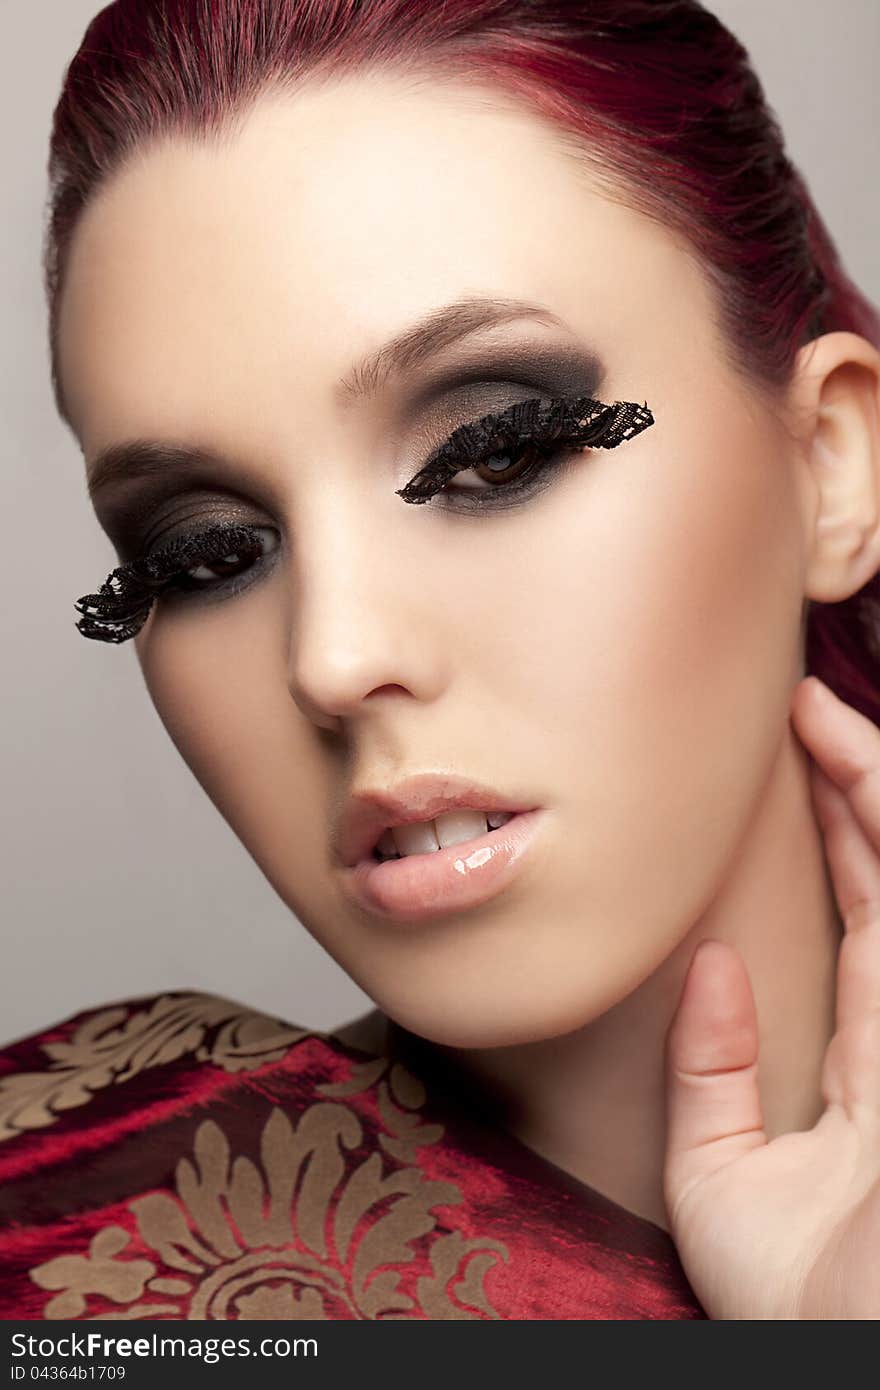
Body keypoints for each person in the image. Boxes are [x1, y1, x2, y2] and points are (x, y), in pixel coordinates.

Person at [1, 0, 879, 1320]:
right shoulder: (70, 1254)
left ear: (831, 465)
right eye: (202, 553)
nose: (334, 657)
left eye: (495, 453)